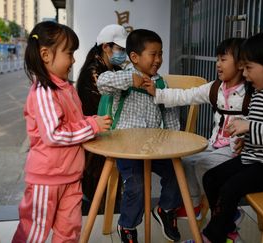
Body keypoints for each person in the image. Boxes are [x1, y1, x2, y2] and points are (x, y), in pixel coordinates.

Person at [197, 32, 263, 243]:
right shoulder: (261, 90)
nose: (245, 74)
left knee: (230, 188)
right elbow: (262, 128)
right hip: (254, 159)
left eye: (249, 68)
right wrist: (245, 139)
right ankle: (229, 223)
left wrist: (248, 126)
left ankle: (213, 236)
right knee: (211, 178)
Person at [12, 21, 112, 242]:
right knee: (35, 232)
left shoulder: (65, 88)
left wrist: (91, 120)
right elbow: (54, 134)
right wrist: (91, 126)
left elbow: (73, 121)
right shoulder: (44, 92)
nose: (74, 59)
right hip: (47, 179)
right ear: (46, 54)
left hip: (71, 176)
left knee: (69, 230)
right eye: (69, 53)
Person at [143, 37, 252, 220]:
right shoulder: (215, 88)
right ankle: (194, 205)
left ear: (241, 64)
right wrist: (158, 93)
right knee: (185, 161)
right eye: (217, 59)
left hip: (235, 151)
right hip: (215, 144)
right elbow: (186, 96)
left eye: (223, 60)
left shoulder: (250, 93)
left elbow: (259, 121)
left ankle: (229, 212)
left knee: (203, 165)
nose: (218, 64)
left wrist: (246, 138)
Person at [97, 29, 182, 243]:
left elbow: (170, 116)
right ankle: (127, 225)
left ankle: (165, 209)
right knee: (136, 185)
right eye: (153, 54)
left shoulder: (161, 83)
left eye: (160, 54)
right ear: (134, 57)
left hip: (153, 146)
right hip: (126, 147)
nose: (158, 59)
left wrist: (176, 144)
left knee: (178, 171)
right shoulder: (122, 77)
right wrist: (129, 78)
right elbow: (102, 82)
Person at [76, 24, 128, 211]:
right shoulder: (94, 73)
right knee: (99, 185)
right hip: (96, 137)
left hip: (103, 134)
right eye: (119, 49)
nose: (123, 53)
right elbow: (106, 111)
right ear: (106, 47)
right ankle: (102, 209)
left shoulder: (109, 67)